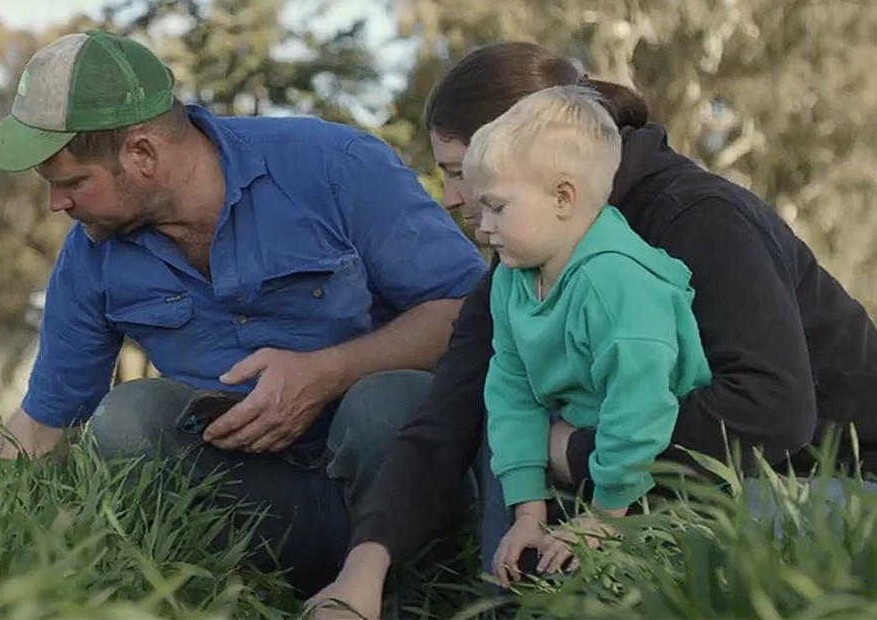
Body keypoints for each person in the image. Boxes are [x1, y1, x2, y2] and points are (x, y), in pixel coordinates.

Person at [308, 42, 877, 619]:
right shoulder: (524, 260)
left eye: (461, 172)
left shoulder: (698, 217)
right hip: (645, 470)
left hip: (821, 485)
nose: (453, 197)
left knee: (593, 481)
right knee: (504, 424)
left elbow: (772, 409)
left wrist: (576, 452)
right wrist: (363, 571)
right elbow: (445, 421)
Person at [0, 30, 487, 593]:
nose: (56, 204)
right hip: (253, 506)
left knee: (388, 401)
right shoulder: (89, 255)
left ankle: (406, 590)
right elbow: (45, 426)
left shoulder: (335, 165)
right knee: (128, 417)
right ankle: (231, 591)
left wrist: (329, 373)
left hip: (396, 483)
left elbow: (467, 311)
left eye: (72, 183)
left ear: (142, 153)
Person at [464, 86, 711, 586]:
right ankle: (507, 595)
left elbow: (640, 409)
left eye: (496, 207)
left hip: (661, 468)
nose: (483, 228)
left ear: (562, 197)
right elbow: (511, 387)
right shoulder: (513, 278)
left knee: (614, 580)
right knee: (496, 443)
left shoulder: (615, 282)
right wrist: (529, 515)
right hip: (581, 443)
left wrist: (603, 519)